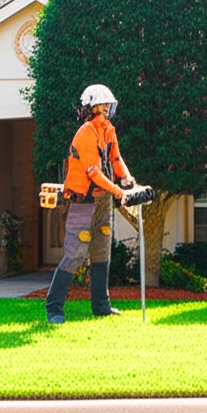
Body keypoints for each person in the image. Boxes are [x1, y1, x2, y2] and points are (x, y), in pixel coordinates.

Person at [45, 84, 135, 324]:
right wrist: (118, 191)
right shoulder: (85, 132)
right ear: (90, 109)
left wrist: (126, 178)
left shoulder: (109, 130)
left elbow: (116, 159)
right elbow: (93, 171)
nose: (105, 110)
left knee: (101, 249)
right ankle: (54, 308)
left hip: (103, 199)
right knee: (76, 253)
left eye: (107, 106)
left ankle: (101, 306)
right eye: (101, 106)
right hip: (83, 201)